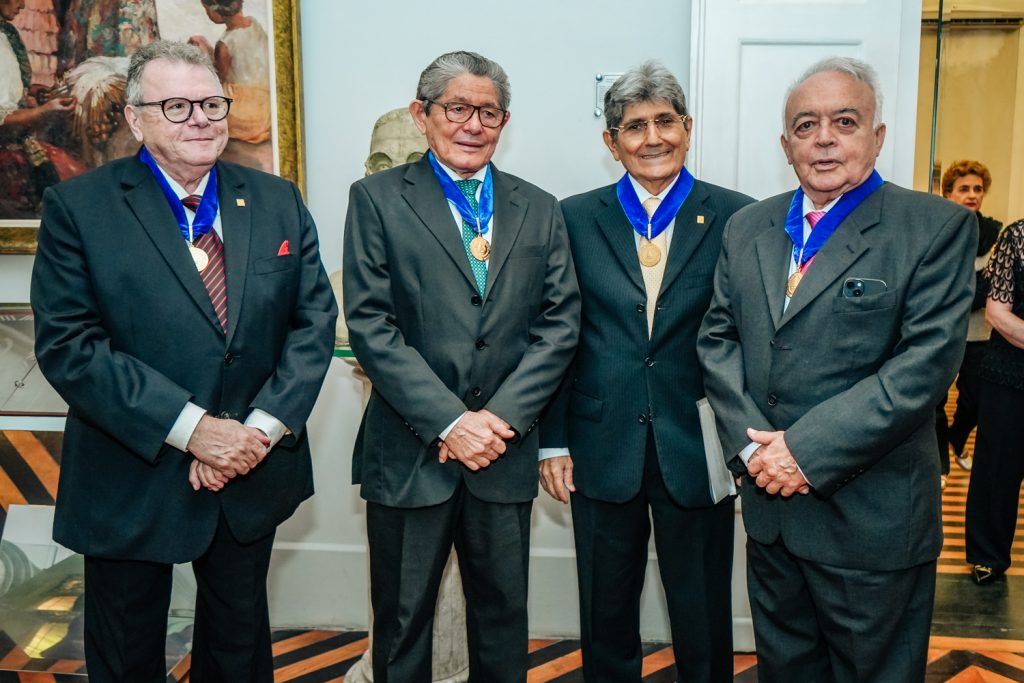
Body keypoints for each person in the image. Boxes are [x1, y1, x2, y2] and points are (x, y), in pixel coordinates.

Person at [30, 40, 337, 682]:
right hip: (130, 472)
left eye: (211, 103)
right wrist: (195, 429)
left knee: (237, 650)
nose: (200, 118)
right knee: (126, 655)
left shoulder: (277, 199)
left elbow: (312, 324)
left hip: (250, 470)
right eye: (176, 106)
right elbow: (71, 346)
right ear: (136, 119)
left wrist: (253, 434)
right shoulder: (79, 208)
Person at [697, 56, 976, 682]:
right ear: (786, 145)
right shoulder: (747, 227)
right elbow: (717, 340)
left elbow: (923, 367)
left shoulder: (934, 227)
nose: (824, 138)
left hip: (871, 522)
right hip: (772, 515)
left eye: (844, 122)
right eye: (806, 125)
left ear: (877, 136)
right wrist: (755, 452)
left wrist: (801, 452)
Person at [343, 50, 580, 682]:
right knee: (401, 627)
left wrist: (497, 420)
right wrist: (452, 422)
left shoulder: (540, 206)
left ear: (505, 121)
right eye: (457, 109)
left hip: (503, 453)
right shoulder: (376, 199)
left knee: (503, 624)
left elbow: (560, 325)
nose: (473, 125)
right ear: (422, 115)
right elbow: (371, 326)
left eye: (488, 112)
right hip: (411, 452)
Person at [539, 61, 752, 683]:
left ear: (688, 128)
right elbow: (555, 335)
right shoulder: (572, 217)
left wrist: (746, 441)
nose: (652, 138)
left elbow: (748, 339)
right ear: (612, 142)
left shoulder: (738, 217)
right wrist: (552, 440)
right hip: (600, 443)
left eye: (665, 121)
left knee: (703, 614)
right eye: (635, 126)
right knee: (605, 613)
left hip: (699, 443)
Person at [964, 217, 1024, 584]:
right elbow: (996, 312)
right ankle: (988, 555)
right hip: (1010, 372)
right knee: (998, 467)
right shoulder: (1016, 236)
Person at [940, 160, 1002, 476]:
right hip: (942, 333)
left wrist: (966, 291)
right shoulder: (939, 232)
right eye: (964, 188)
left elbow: (992, 290)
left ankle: (957, 436)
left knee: (975, 402)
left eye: (978, 189)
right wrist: (977, 287)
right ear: (948, 193)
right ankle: (941, 464)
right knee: (934, 404)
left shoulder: (994, 235)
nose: (972, 194)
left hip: (979, 335)